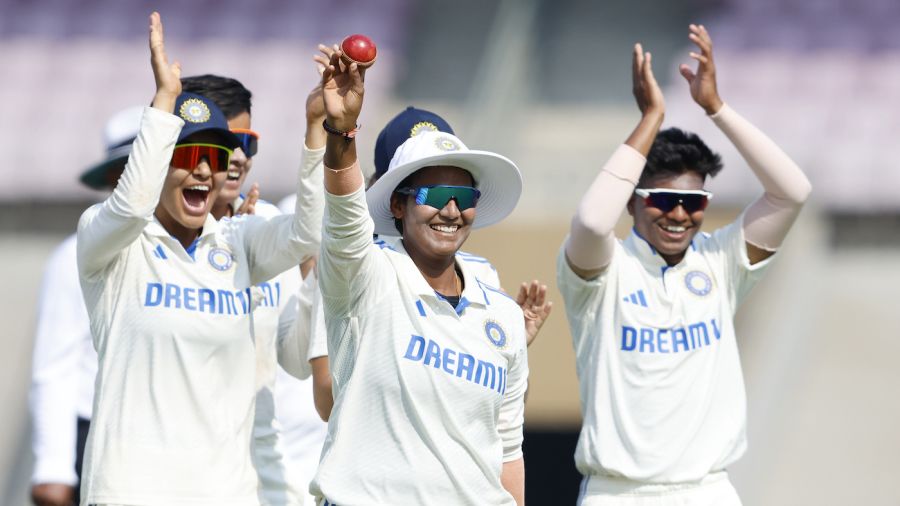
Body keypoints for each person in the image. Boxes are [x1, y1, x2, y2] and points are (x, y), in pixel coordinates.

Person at [558, 25, 811, 504]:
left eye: (693, 201)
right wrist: (652, 115)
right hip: (618, 493)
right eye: (663, 198)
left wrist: (716, 107)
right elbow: (592, 222)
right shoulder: (603, 270)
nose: (679, 213)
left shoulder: (720, 262)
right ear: (633, 201)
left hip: (707, 491)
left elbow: (792, 192)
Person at [76, 13, 322, 505]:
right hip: (130, 492)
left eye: (216, 155)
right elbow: (129, 206)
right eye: (188, 157)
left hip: (226, 493)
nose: (207, 171)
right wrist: (164, 101)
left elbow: (307, 233)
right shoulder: (115, 243)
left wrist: (319, 129)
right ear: (158, 161)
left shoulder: (239, 241)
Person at [311, 48, 529, 505]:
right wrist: (341, 133)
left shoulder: (504, 316)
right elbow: (346, 222)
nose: (451, 209)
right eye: (434, 193)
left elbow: (507, 449)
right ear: (397, 205)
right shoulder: (366, 276)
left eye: (464, 194)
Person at [180, 73, 326, 506]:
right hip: (177, 472)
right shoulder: (144, 237)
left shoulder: (262, 226)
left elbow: (296, 363)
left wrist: (322, 282)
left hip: (261, 475)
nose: (237, 158)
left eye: (247, 143)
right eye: (223, 142)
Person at [29, 106, 142, 506]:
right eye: (132, 165)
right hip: (97, 435)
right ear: (113, 177)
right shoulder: (73, 255)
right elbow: (55, 365)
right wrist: (54, 469)